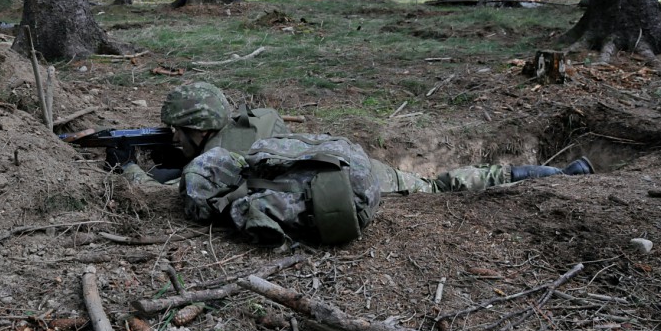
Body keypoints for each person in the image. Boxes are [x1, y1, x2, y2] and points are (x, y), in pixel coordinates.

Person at [124, 82, 594, 245]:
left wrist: (127, 167)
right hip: (340, 158)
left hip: (337, 180)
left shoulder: (216, 160)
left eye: (177, 131)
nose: (172, 139)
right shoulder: (252, 122)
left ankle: (544, 178)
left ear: (198, 128)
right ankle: (552, 173)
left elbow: (168, 193)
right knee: (438, 183)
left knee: (441, 188)